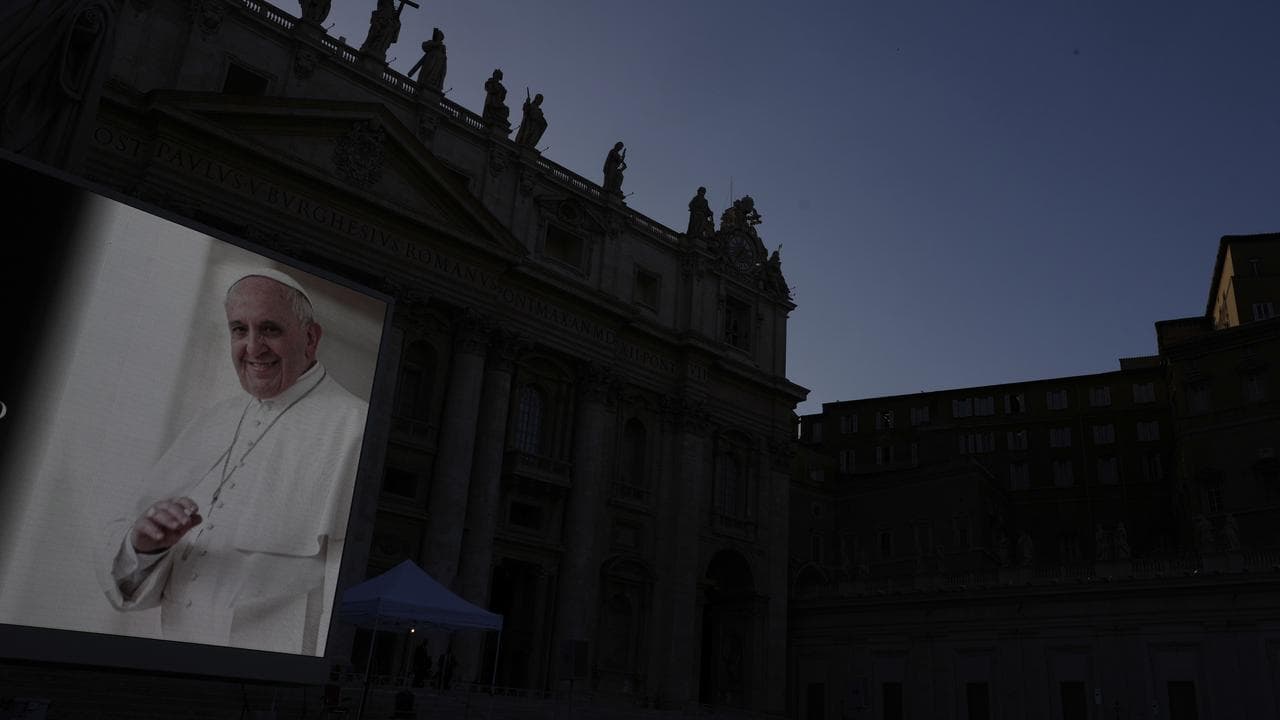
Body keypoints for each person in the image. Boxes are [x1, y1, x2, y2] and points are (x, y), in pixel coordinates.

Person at [97, 270, 368, 655]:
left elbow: (345, 586)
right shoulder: (212, 421)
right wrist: (145, 546)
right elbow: (132, 575)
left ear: (310, 339)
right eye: (239, 330)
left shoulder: (356, 427)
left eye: (270, 329)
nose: (253, 348)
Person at [408, 27, 446, 96]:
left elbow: (444, 61)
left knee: (435, 74)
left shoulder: (443, 48)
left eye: (441, 37)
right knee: (427, 73)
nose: (440, 38)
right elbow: (424, 46)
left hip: (439, 63)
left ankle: (433, 85)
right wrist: (435, 44)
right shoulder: (431, 42)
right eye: (439, 36)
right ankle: (423, 86)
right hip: (430, 60)